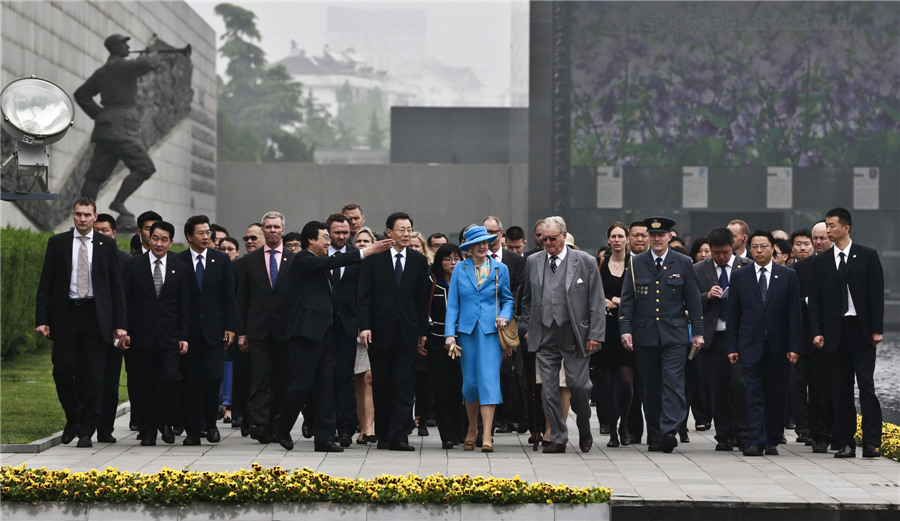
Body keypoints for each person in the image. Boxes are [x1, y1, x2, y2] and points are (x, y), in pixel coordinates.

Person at [273, 221, 392, 451]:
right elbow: (333, 261)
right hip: (305, 334)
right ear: (311, 240)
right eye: (325, 238)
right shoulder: (303, 259)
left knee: (326, 385)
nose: (329, 242)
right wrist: (366, 251)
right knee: (301, 385)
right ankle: (282, 424)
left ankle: (324, 438)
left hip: (326, 333)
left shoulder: (319, 264)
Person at [35, 197, 128, 448]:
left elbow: (115, 287)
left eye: (87, 215)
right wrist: (42, 319)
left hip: (96, 316)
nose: (83, 219)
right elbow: (46, 284)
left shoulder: (107, 245)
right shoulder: (58, 243)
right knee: (62, 370)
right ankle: (73, 413)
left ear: (95, 217)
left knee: (94, 375)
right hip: (66, 314)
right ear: (73, 215)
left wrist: (120, 324)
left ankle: (86, 430)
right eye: (78, 214)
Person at [520, 216, 605, 454]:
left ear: (564, 235)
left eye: (552, 238)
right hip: (545, 333)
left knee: (579, 386)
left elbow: (596, 300)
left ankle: (584, 424)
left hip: (575, 334)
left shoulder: (585, 261)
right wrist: (527, 328)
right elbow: (526, 299)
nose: (547, 243)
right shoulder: (533, 261)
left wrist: (595, 333)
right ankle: (558, 436)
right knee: (548, 389)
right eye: (543, 239)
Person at [619, 217, 704, 454]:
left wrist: (697, 332)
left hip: (674, 335)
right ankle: (655, 435)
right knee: (651, 386)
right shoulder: (637, 263)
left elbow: (693, 300)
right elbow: (627, 300)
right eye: (652, 235)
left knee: (673, 382)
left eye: (661, 235)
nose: (656, 239)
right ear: (647, 237)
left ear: (669, 237)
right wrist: (625, 329)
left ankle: (669, 430)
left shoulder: (683, 262)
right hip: (645, 335)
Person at [808, 208, 884, 459]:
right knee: (839, 390)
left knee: (867, 388)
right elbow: (816, 301)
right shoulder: (821, 261)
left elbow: (876, 294)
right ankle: (845, 442)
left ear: (846, 228)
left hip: (861, 332)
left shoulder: (867, 256)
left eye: (831, 226)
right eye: (826, 226)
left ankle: (872, 442)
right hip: (834, 332)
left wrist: (876, 329)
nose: (827, 230)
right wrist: (817, 332)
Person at [358, 212, 431, 452]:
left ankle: (400, 435)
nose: (407, 234)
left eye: (409, 229)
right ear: (389, 232)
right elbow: (365, 295)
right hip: (380, 330)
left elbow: (421, 300)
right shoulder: (374, 259)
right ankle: (384, 434)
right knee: (382, 383)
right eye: (402, 230)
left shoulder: (418, 261)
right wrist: (365, 326)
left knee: (404, 384)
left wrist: (422, 331)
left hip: (408, 331)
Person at [727, 230, 802, 456]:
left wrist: (794, 346)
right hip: (750, 345)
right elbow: (733, 315)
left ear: (773, 249)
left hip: (778, 346)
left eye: (764, 246)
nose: (759, 251)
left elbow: (794, 315)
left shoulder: (787, 276)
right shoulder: (740, 276)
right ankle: (756, 440)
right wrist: (732, 347)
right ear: (750, 248)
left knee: (777, 395)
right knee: (753, 394)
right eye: (755, 247)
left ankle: (772, 438)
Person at [443, 226, 514, 453]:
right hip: (466, 332)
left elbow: (508, 300)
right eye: (478, 243)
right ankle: (471, 429)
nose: (483, 246)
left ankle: (486, 435)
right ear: (469, 247)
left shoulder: (499, 268)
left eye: (486, 242)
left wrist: (504, 315)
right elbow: (453, 303)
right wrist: (449, 334)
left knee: (488, 380)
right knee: (470, 383)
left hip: (491, 333)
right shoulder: (460, 270)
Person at [74, 35, 160, 217]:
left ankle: (84, 216)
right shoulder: (121, 66)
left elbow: (81, 94)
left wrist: (100, 115)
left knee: (95, 177)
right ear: (115, 48)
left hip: (106, 129)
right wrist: (152, 53)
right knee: (144, 167)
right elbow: (146, 64)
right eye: (124, 43)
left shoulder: (103, 71)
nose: (128, 46)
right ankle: (118, 202)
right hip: (121, 129)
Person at [121, 221, 190, 446]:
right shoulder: (133, 265)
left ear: (171, 242)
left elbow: (184, 306)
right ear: (148, 239)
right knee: (144, 383)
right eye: (155, 238)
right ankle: (149, 430)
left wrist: (184, 336)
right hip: (141, 335)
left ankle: (166, 422)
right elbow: (126, 302)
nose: (159, 243)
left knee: (170, 379)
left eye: (164, 239)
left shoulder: (180, 267)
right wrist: (125, 330)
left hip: (170, 336)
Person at [175, 215, 236, 445]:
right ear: (189, 236)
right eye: (200, 233)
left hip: (214, 330)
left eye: (208, 232)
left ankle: (210, 425)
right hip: (188, 332)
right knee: (190, 381)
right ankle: (193, 430)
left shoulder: (220, 260)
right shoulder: (178, 261)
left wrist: (230, 327)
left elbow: (229, 297)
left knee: (212, 378)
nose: (206, 236)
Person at [235, 213, 295, 444]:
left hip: (285, 331)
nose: (272, 230)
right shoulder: (250, 261)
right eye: (268, 227)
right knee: (260, 377)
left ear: (283, 229)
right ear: (263, 230)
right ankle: (259, 423)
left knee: (282, 379)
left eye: (276, 227)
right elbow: (242, 299)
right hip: (257, 330)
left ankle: (274, 424)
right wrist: (241, 332)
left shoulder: (293, 259)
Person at [694, 227, 751, 452]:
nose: (721, 257)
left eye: (725, 252)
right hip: (713, 336)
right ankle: (724, 435)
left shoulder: (746, 267)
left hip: (739, 336)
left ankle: (743, 433)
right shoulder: (699, 269)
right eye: (716, 253)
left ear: (733, 248)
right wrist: (706, 296)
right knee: (717, 387)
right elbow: (689, 300)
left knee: (741, 384)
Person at [326, 213, 365, 447]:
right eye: (337, 232)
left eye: (345, 233)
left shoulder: (357, 256)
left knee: (345, 377)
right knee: (323, 377)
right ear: (328, 232)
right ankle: (324, 424)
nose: (341, 236)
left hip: (349, 325)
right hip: (322, 326)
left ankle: (345, 427)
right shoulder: (319, 254)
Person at [92, 213, 131, 442]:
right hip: (88, 329)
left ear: (113, 234)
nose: (99, 235)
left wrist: (123, 328)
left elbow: (126, 299)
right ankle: (86, 423)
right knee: (88, 379)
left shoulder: (124, 261)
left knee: (109, 381)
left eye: (104, 230)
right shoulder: (82, 258)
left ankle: (105, 428)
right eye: (96, 230)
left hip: (114, 331)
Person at [596, 222, 635, 447]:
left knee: (627, 381)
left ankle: (624, 425)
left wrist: (620, 302)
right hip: (605, 329)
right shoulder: (599, 263)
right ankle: (612, 430)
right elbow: (592, 293)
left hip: (627, 328)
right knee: (607, 383)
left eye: (621, 236)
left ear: (627, 239)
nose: (618, 240)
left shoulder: (635, 264)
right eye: (614, 236)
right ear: (608, 240)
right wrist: (602, 302)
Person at [425, 244, 466, 449]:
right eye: (448, 259)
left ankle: (461, 431)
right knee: (441, 388)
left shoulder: (466, 281)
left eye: (456, 258)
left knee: (459, 387)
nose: (452, 263)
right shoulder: (431, 283)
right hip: (437, 340)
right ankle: (446, 435)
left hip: (462, 341)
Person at [352, 227, 378, 444]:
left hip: (375, 327)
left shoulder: (379, 265)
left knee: (370, 378)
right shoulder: (348, 265)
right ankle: (364, 427)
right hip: (351, 327)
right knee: (359, 379)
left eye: (366, 240)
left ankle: (371, 427)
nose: (362, 244)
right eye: (358, 241)